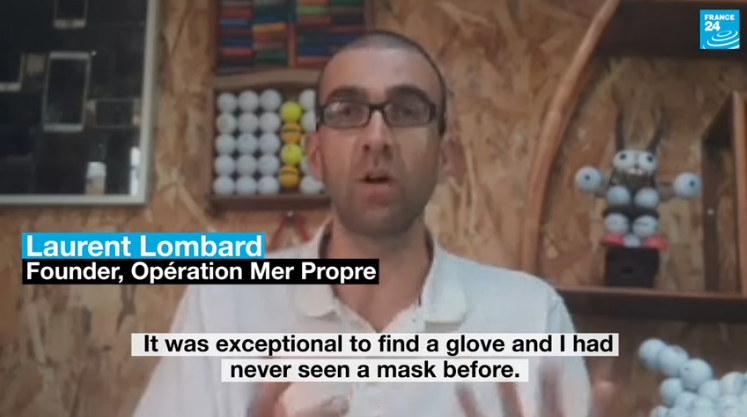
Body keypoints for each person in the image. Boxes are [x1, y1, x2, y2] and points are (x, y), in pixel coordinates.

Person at [132, 30, 613, 417]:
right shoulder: (222, 307)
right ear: (316, 156)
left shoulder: (530, 316)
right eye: (348, 111)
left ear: (445, 157)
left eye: (406, 111)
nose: (377, 137)